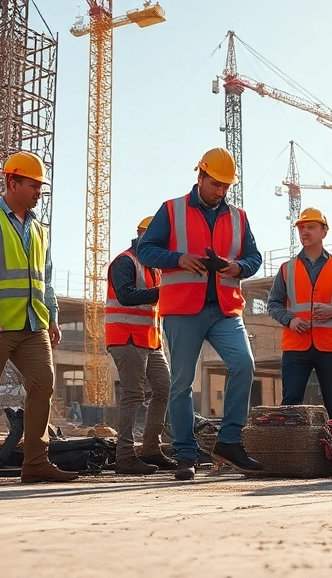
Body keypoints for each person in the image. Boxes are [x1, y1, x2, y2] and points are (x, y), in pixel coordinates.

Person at [138, 148, 263, 481]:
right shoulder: (171, 210)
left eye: (225, 186)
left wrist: (239, 266)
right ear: (200, 176)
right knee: (181, 384)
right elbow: (145, 249)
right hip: (183, 309)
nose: (220, 191)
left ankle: (229, 441)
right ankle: (185, 454)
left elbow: (254, 257)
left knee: (244, 364)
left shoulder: (239, 216)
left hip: (224, 308)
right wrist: (178, 259)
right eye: (215, 184)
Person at [0, 151, 77, 485]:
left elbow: (45, 279)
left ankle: (36, 461)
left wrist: (52, 317)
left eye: (41, 186)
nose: (40, 191)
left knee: (44, 384)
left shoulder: (39, 230)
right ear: (12, 182)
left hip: (33, 324)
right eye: (33, 185)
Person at [267, 207, 332, 424]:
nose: (304, 232)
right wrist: (290, 320)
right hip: (295, 346)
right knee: (290, 402)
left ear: (324, 231)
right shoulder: (286, 268)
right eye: (301, 227)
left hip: (330, 346)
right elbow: (273, 304)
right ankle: (289, 451)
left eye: (310, 227)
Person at [105, 216, 175, 475]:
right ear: (141, 234)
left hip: (150, 340)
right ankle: (124, 456)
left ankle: (150, 450)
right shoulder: (125, 261)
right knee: (133, 394)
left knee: (164, 389)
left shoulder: (155, 268)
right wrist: (161, 293)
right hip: (126, 337)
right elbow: (125, 295)